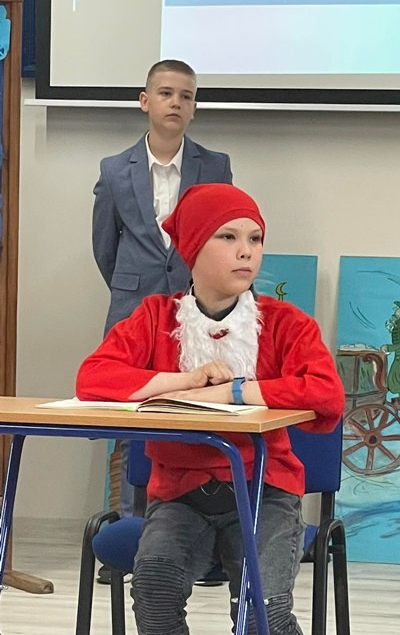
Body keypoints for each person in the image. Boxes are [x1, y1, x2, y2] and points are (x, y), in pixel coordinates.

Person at [77, 183, 345, 634]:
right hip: (180, 498)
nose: (246, 251)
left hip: (264, 495)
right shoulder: (155, 318)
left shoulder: (286, 323)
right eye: (228, 237)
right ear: (194, 247)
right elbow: (92, 378)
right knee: (154, 596)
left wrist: (234, 392)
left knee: (263, 614)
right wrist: (185, 381)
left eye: (255, 239)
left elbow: (325, 393)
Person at [92, 59, 233, 527]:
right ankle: (132, 527)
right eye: (166, 93)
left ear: (194, 108)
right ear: (145, 101)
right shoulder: (115, 170)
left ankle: (189, 525)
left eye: (186, 96)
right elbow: (105, 248)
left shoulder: (215, 166)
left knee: (194, 410)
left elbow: (221, 238)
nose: (176, 103)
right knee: (132, 418)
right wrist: (135, 288)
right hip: (133, 309)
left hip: (197, 310)